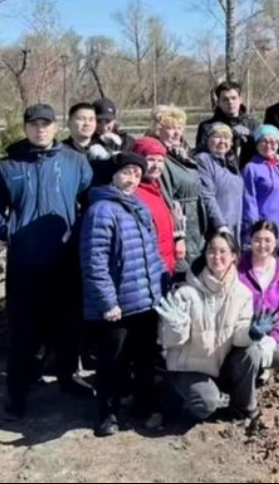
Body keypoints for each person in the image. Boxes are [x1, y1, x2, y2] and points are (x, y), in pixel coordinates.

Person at [0, 103, 94, 420]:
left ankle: (66, 377)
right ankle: (18, 391)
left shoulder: (75, 162)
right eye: (34, 124)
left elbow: (87, 200)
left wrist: (77, 235)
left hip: (63, 259)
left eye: (46, 124)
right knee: (24, 330)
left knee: (66, 324)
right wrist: (10, 232)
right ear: (26, 127)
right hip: (24, 263)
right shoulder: (7, 165)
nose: (41, 129)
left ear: (55, 127)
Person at [80, 153, 169, 437]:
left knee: (144, 357)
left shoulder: (136, 206)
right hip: (117, 305)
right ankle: (107, 413)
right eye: (127, 173)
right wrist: (108, 301)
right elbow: (94, 261)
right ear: (114, 175)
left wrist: (160, 290)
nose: (132, 179)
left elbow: (151, 253)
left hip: (145, 299)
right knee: (113, 361)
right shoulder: (102, 210)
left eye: (137, 174)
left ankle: (143, 404)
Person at [157, 230, 264, 426]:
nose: (217, 256)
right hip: (189, 367)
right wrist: (174, 325)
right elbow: (170, 342)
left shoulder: (242, 294)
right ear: (204, 255)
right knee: (206, 403)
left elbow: (239, 338)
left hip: (219, 365)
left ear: (233, 256)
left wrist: (251, 333)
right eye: (211, 251)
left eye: (223, 251)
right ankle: (174, 393)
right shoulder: (187, 292)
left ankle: (242, 408)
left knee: (252, 351)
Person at [237, 221, 279, 377]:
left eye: (267, 240)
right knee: (248, 356)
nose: (262, 245)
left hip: (270, 328)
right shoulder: (239, 268)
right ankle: (250, 371)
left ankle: (264, 368)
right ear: (250, 240)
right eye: (257, 239)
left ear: (276, 243)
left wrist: (273, 337)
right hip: (243, 330)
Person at [153, 105, 206, 273]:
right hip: (181, 224)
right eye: (170, 128)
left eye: (179, 128)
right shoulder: (160, 159)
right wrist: (178, 236)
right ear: (158, 130)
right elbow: (166, 199)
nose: (176, 133)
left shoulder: (184, 154)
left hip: (196, 222)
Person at [242, 125, 279, 253]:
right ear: (257, 144)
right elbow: (249, 202)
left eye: (273, 141)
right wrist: (255, 231)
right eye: (264, 141)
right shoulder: (251, 168)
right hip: (266, 232)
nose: (268, 145)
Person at [132, 137, 182, 276]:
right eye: (151, 160)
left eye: (160, 161)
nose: (157, 165)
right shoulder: (134, 193)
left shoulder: (156, 188)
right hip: (150, 269)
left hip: (167, 265)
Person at [196, 122, 244, 241]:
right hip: (218, 231)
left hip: (235, 228)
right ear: (207, 140)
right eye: (217, 137)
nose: (222, 141)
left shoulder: (231, 163)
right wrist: (220, 225)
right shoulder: (203, 160)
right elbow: (207, 195)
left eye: (226, 137)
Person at [196, 81, 260, 167]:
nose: (230, 102)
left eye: (234, 98)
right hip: (221, 175)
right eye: (225, 99)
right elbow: (201, 155)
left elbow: (265, 150)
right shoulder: (207, 127)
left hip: (249, 174)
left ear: (240, 100)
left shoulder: (253, 125)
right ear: (218, 102)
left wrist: (250, 135)